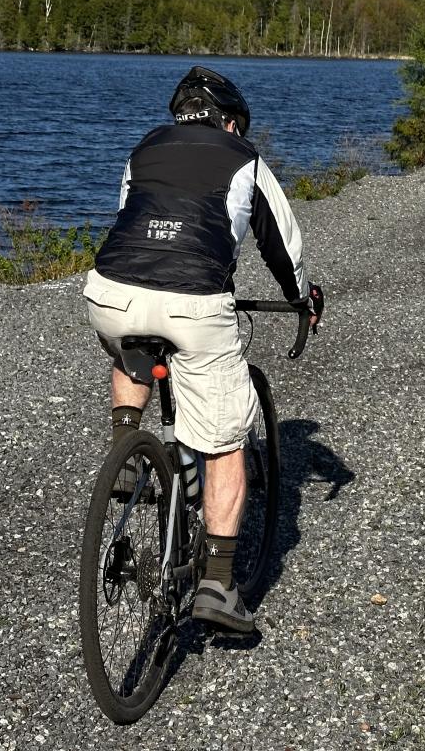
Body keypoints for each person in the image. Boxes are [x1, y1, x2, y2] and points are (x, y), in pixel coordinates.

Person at [82, 65, 322, 633]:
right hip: (194, 303)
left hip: (109, 292)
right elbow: (283, 246)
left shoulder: (143, 150)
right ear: (233, 122)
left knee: (130, 347)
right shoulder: (246, 159)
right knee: (224, 442)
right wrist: (302, 298)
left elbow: (127, 215)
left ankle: (128, 449)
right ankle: (217, 583)